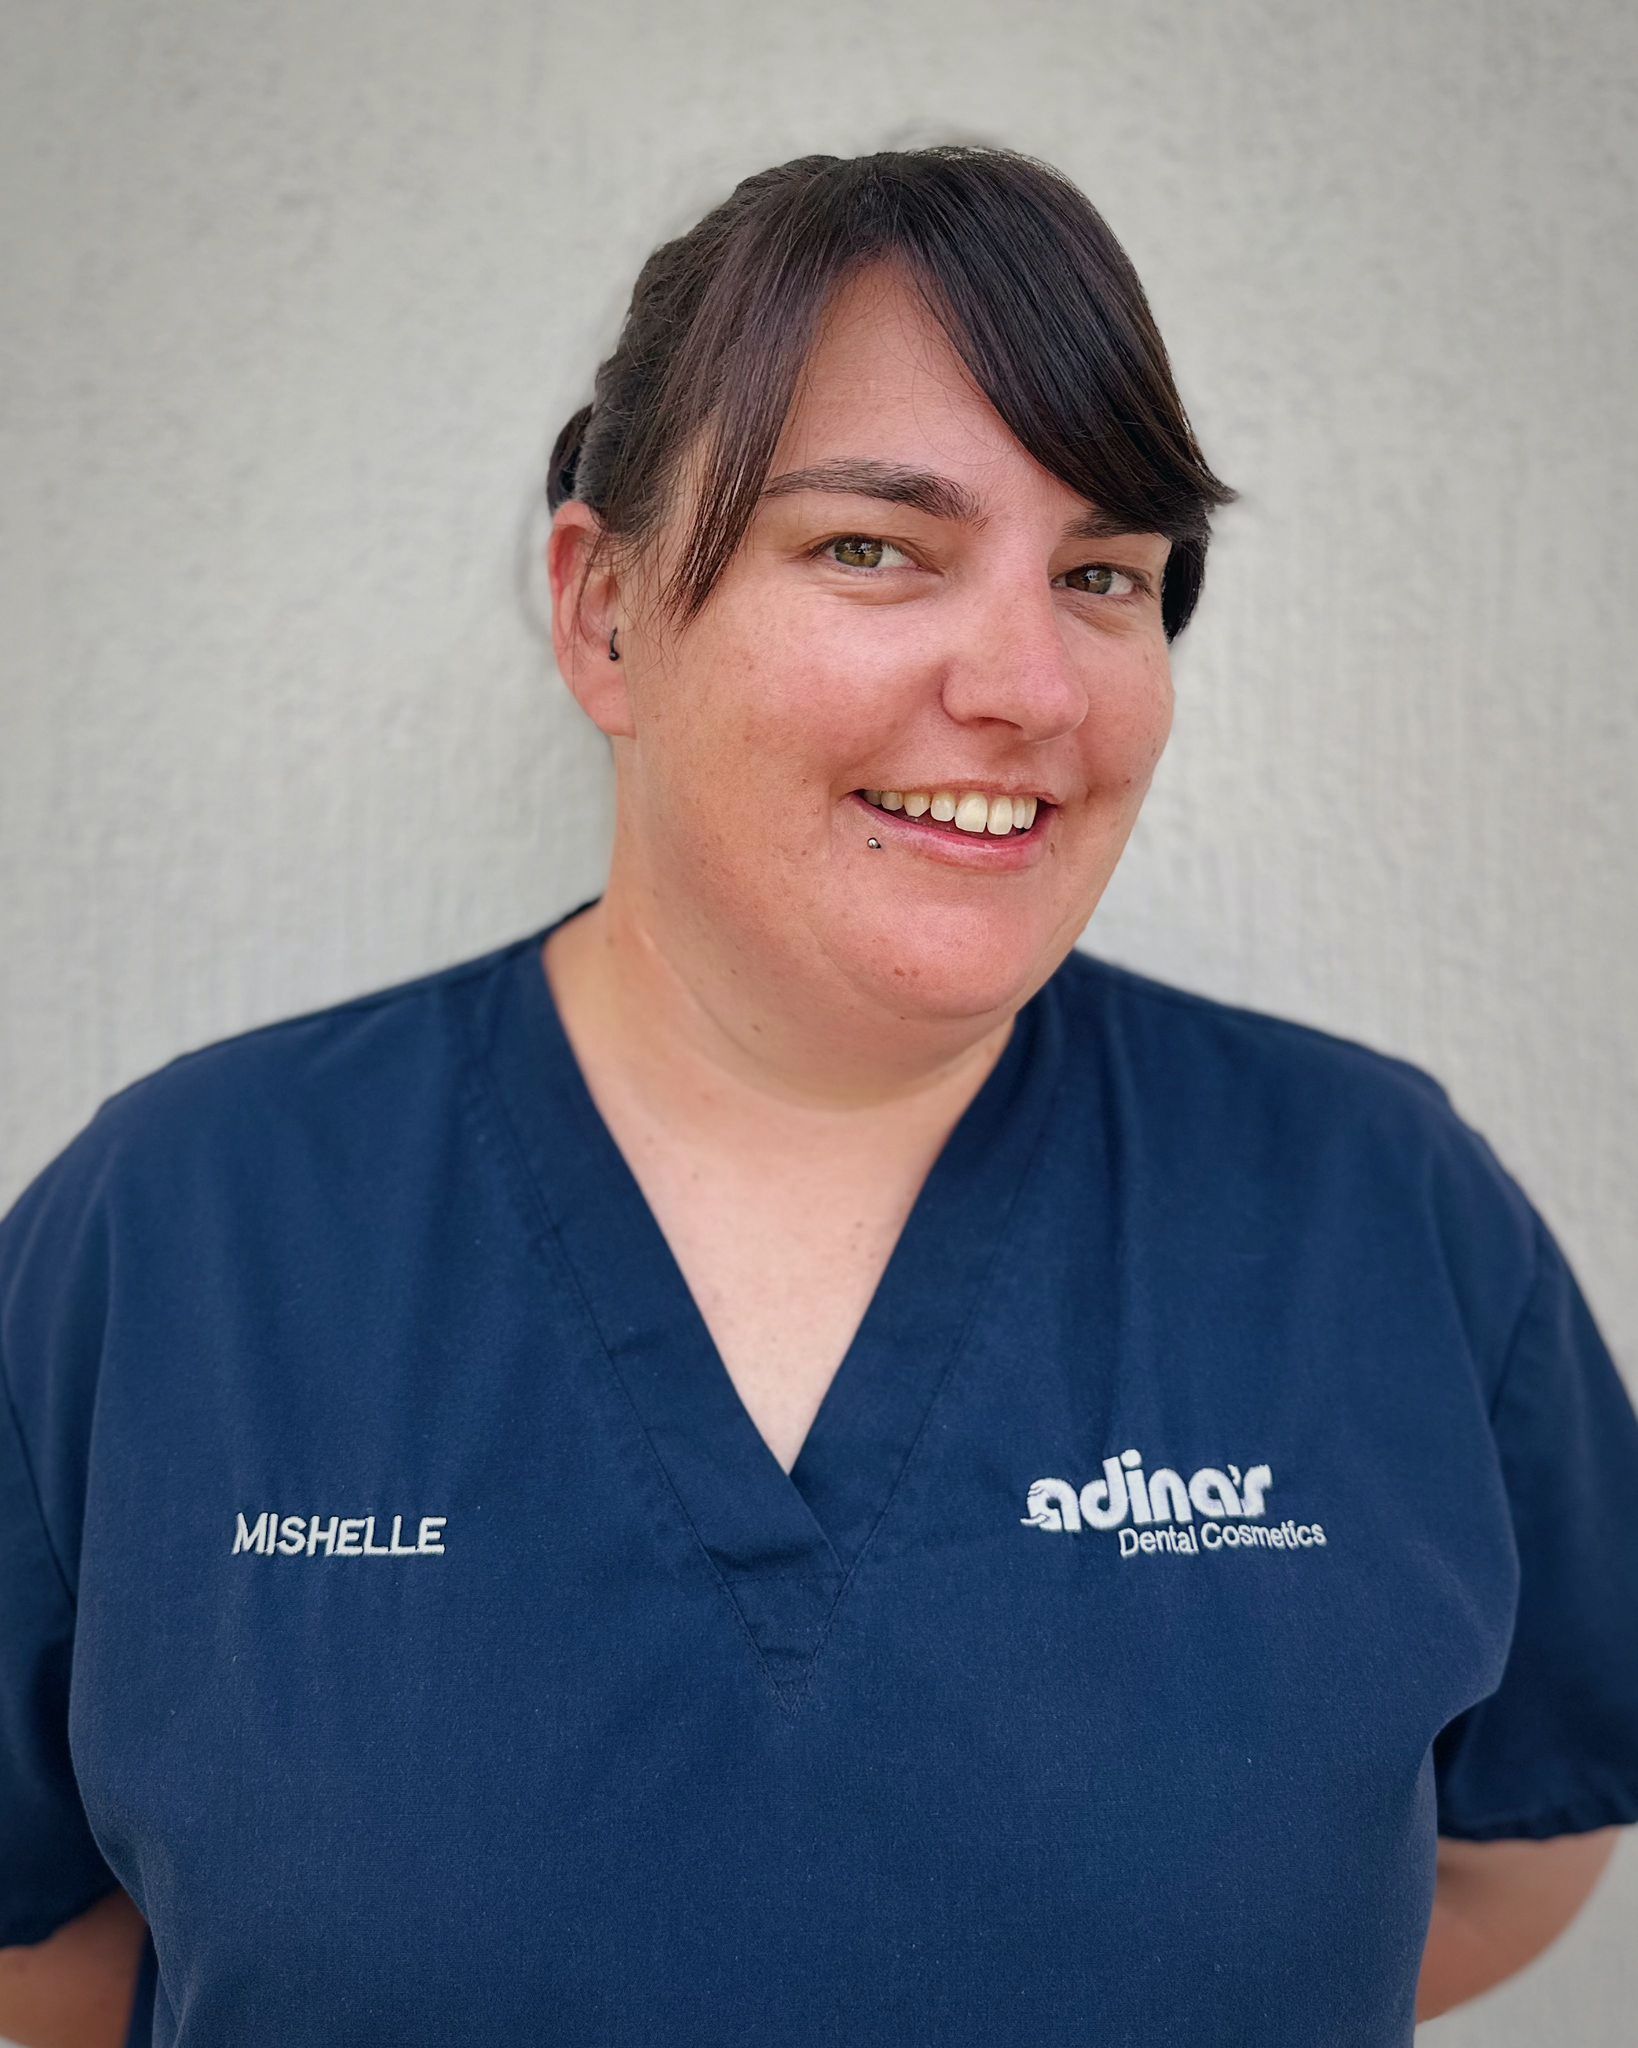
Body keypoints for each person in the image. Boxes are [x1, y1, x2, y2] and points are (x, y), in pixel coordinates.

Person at [1, 144, 1635, 2048]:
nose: (1027, 681)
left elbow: (1518, 1846)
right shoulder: (187, 1227)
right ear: (606, 614)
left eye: (1103, 571)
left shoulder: (1380, 1208)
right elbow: (41, 1947)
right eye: (874, 544)